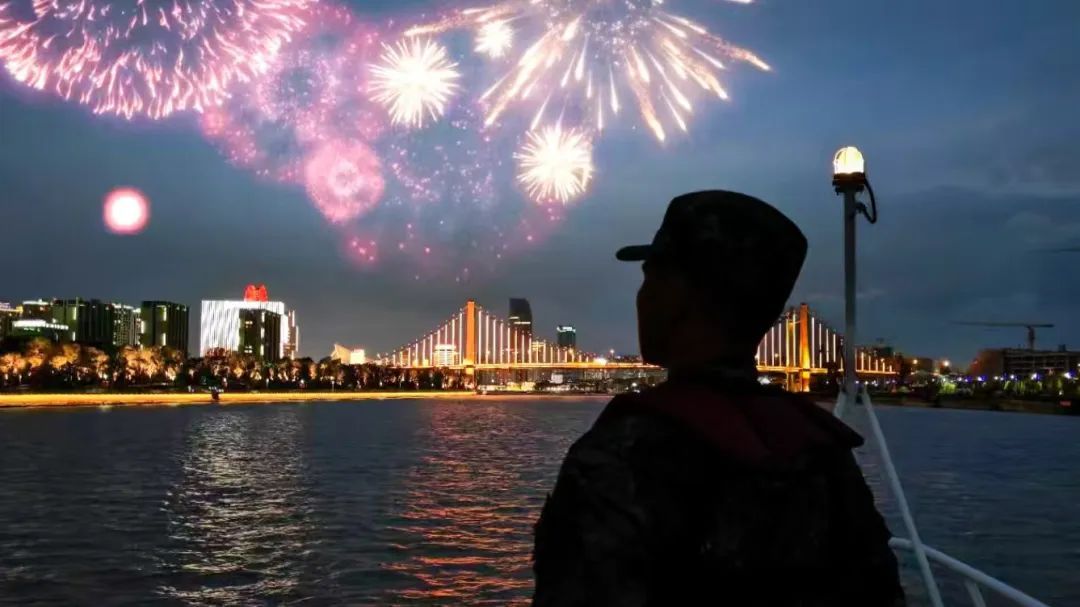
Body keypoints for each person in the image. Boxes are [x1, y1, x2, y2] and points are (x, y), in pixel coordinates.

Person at [532, 191, 905, 606]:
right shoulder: (826, 455)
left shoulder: (625, 455)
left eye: (650, 276)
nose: (642, 296)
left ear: (680, 296)